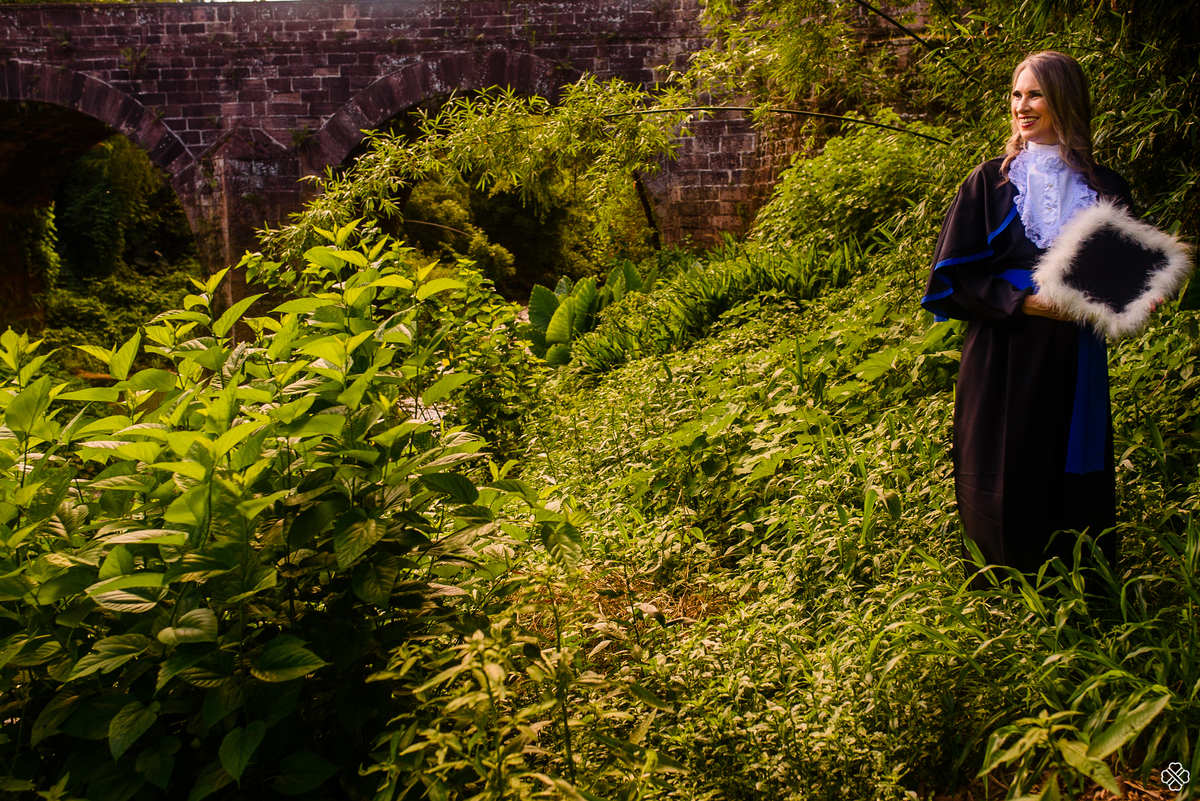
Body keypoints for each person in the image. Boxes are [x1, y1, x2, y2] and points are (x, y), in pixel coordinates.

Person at [920, 51, 1134, 585]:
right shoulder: (989, 183)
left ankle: (1081, 581)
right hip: (1004, 350)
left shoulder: (1107, 187)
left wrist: (1128, 296)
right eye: (1017, 94)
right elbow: (954, 279)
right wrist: (1026, 303)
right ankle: (1007, 585)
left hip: (1074, 355)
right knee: (1003, 461)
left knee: (1069, 464)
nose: (1023, 105)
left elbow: (1128, 276)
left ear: (1066, 100)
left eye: (1035, 94)